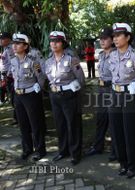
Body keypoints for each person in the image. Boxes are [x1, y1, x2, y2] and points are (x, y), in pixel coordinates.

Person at [109, 22, 135, 178]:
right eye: (114, 36)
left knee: (131, 131)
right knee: (117, 131)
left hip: (131, 96)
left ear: (128, 37)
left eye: (119, 35)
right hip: (115, 94)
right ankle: (123, 163)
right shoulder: (111, 55)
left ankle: (133, 164)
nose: (116, 39)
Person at [45, 31, 85, 165]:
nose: (54, 44)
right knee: (60, 125)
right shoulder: (48, 61)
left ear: (63, 43)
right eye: (52, 41)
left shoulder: (71, 59)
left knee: (73, 125)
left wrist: (77, 96)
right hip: (55, 95)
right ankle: (63, 151)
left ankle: (75, 153)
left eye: (57, 41)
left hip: (69, 95)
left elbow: (81, 79)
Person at [9, 33, 47, 161]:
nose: (14, 46)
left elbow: (41, 76)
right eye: (14, 43)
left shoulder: (33, 61)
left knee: (35, 123)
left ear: (25, 46)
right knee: (23, 124)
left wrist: (39, 88)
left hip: (31, 95)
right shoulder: (13, 60)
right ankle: (27, 149)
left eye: (18, 43)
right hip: (18, 95)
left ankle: (40, 150)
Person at [84, 27, 116, 162]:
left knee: (114, 121)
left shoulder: (116, 54)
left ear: (112, 39)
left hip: (112, 90)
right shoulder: (102, 55)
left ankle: (116, 150)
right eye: (101, 39)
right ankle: (98, 146)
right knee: (100, 119)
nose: (102, 41)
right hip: (102, 90)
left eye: (105, 38)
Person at [0, 32, 17, 123]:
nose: (0, 40)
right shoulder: (6, 48)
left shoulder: (10, 49)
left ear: (8, 40)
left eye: (2, 39)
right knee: (13, 98)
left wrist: (8, 75)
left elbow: (12, 64)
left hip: (11, 77)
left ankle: (17, 118)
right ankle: (17, 117)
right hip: (8, 77)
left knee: (15, 98)